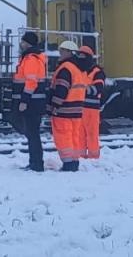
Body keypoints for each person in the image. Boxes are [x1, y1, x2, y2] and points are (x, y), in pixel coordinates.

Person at [46, 39, 93, 171]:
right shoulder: (80, 69)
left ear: (69, 52)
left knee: (63, 136)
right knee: (74, 137)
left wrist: (54, 105)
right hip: (77, 110)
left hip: (63, 110)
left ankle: (68, 164)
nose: (59, 53)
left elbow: (62, 88)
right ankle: (74, 161)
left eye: (62, 51)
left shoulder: (65, 68)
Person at [12, 31, 47, 171]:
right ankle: (35, 162)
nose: (21, 44)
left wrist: (24, 100)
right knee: (32, 134)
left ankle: (36, 164)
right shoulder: (31, 58)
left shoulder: (31, 59)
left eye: (23, 41)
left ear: (28, 43)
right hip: (34, 102)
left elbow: (31, 82)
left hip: (32, 102)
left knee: (32, 134)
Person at [76, 45, 104, 160]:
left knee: (92, 134)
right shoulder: (79, 71)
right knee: (80, 135)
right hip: (80, 107)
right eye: (79, 56)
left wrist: (81, 89)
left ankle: (93, 157)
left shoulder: (97, 72)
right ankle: (81, 156)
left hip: (92, 109)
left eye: (83, 56)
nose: (81, 58)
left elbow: (98, 88)